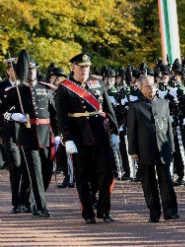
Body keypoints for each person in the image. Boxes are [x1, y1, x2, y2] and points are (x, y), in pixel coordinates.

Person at [55, 52, 119, 224]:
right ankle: (88, 212)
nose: (84, 70)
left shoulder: (97, 83)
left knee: (107, 173)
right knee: (82, 177)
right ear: (73, 67)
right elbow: (61, 117)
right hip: (79, 139)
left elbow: (108, 108)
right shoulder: (64, 88)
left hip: (101, 136)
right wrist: (67, 138)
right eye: (81, 67)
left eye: (87, 67)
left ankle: (104, 210)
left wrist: (115, 132)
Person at [0, 50, 56, 217]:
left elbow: (55, 114)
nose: (31, 72)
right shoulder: (17, 90)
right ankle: (41, 206)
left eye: (34, 69)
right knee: (34, 172)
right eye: (28, 69)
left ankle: (33, 197)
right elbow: (2, 112)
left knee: (47, 171)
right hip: (27, 137)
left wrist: (60, 135)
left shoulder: (46, 89)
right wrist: (13, 116)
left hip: (45, 135)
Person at [127, 69, 179, 222]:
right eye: (147, 86)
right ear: (141, 88)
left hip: (163, 148)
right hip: (144, 150)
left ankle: (171, 211)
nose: (151, 88)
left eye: (152, 85)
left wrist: (171, 147)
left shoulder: (164, 104)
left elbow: (169, 127)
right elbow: (132, 131)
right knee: (149, 184)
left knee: (166, 181)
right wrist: (133, 150)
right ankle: (154, 213)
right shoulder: (135, 107)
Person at [0, 58, 31, 213]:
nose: (14, 71)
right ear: (8, 71)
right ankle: (16, 202)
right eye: (11, 69)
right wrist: (12, 116)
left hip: (26, 132)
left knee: (27, 167)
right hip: (9, 133)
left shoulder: (26, 87)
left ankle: (26, 200)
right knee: (15, 166)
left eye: (17, 69)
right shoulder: (1, 88)